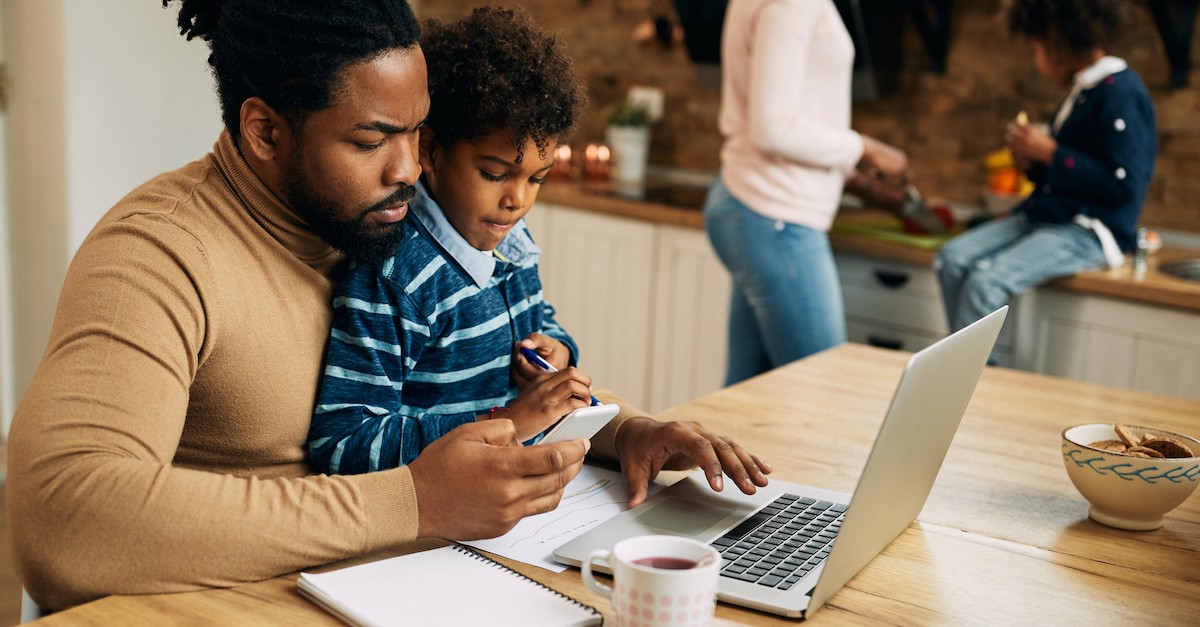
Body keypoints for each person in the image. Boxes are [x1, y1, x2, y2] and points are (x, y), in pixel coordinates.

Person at [5, 0, 770, 611]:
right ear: (265, 131)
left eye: (417, 132)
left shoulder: (390, 222)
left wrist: (625, 428)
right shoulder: (161, 252)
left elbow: (493, 373)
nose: (411, 169)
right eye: (372, 140)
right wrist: (413, 501)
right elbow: (64, 520)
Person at [307, 6, 593, 473]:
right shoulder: (397, 277)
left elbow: (541, 319)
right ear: (431, 152)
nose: (517, 201)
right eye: (494, 174)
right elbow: (343, 442)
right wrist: (506, 424)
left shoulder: (511, 242)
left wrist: (557, 351)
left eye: (537, 179)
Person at [703, 0, 911, 386]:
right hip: (775, 213)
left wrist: (853, 180)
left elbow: (794, 111)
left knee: (746, 396)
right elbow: (773, 127)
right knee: (821, 391)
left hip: (755, 205)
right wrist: (865, 150)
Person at [935, 0, 1156, 333]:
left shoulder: (1121, 92)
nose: (1035, 60)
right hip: (1047, 215)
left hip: (1089, 230)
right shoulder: (1082, 90)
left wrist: (1051, 153)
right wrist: (1032, 161)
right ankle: (960, 366)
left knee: (985, 283)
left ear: (1056, 39)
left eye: (1034, 48)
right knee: (950, 259)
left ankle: (978, 380)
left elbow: (1124, 185)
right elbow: (1062, 178)